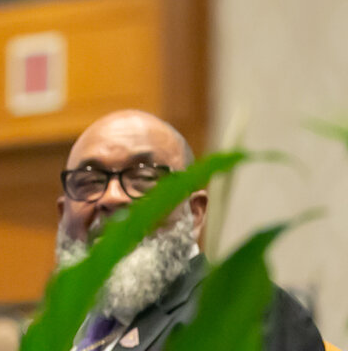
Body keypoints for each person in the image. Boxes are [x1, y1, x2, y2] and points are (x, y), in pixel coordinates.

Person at [56, 109, 324, 351]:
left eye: (143, 177)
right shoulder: (61, 328)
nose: (112, 197)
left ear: (195, 212)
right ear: (63, 214)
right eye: (89, 181)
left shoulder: (243, 312)